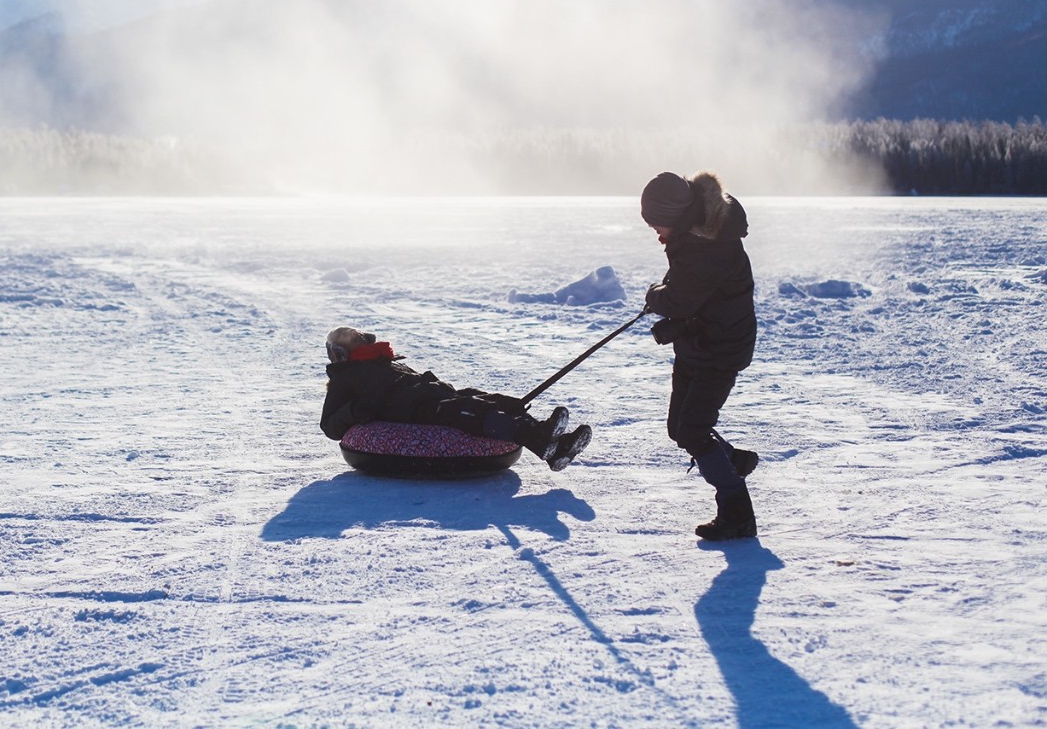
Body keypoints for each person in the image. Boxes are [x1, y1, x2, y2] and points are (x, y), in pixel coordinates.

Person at [641, 171, 760, 540]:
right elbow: (697, 299)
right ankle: (733, 461)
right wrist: (677, 325)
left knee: (692, 429)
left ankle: (737, 512)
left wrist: (654, 296)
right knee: (680, 427)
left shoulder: (707, 246)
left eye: (657, 224)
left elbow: (679, 298)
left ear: (674, 217)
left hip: (720, 351)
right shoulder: (695, 237)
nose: (656, 234)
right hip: (701, 342)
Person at [321, 326, 593, 471]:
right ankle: (536, 439)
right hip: (414, 409)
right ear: (341, 352)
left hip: (435, 394)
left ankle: (555, 445)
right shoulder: (344, 377)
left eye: (357, 335)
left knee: (498, 401)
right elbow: (329, 425)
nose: (358, 338)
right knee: (472, 412)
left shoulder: (383, 360)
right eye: (351, 339)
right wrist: (359, 409)